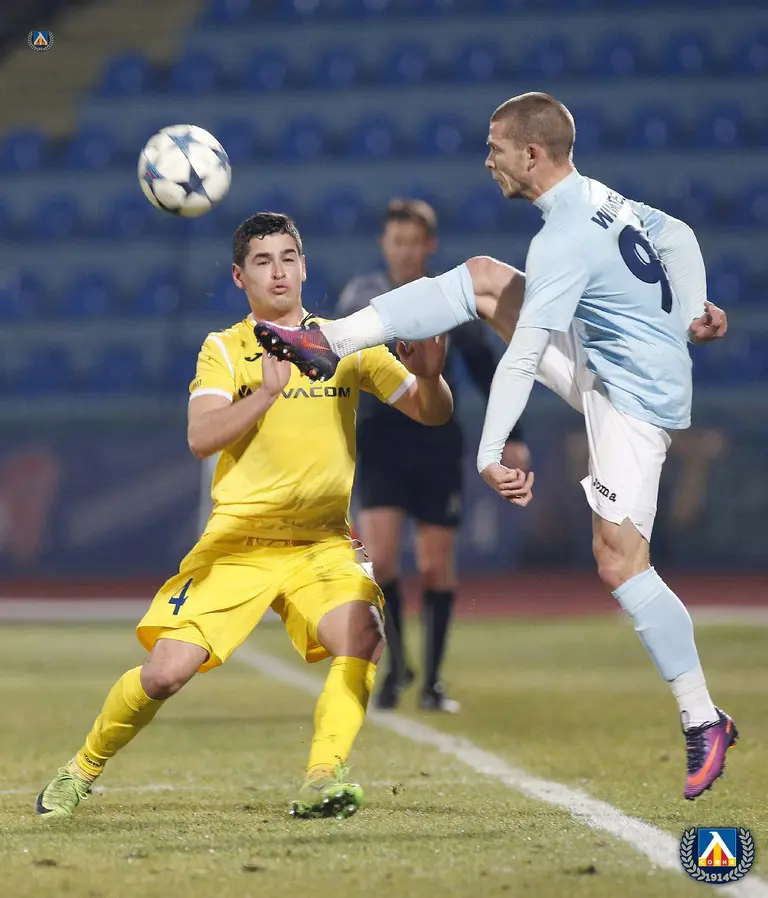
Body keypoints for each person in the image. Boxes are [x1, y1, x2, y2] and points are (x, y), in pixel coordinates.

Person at [253, 93, 735, 801]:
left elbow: (523, 360)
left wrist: (489, 453)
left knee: (620, 562)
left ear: (531, 155)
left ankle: (703, 717)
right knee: (481, 277)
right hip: (614, 356)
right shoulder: (596, 196)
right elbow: (680, 235)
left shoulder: (564, 238)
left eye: (495, 147)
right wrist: (692, 307)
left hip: (631, 401)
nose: (487, 160)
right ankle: (329, 340)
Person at [35, 212, 452, 822]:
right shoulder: (225, 349)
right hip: (239, 546)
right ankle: (81, 770)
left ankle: (322, 778)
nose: (278, 271)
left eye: (288, 257)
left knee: (363, 635)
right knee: (164, 674)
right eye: (262, 261)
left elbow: (432, 413)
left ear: (304, 267)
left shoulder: (344, 342)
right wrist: (266, 393)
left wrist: (431, 376)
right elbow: (200, 437)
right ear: (239, 276)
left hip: (322, 546)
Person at [337, 198, 529, 712]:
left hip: (436, 439)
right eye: (396, 241)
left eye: (413, 242)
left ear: (429, 246)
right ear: (384, 245)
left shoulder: (449, 296)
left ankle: (433, 682)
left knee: (433, 566)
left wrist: (513, 433)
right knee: (379, 561)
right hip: (379, 438)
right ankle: (397, 667)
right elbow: (339, 363)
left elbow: (485, 365)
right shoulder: (361, 297)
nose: (404, 251)